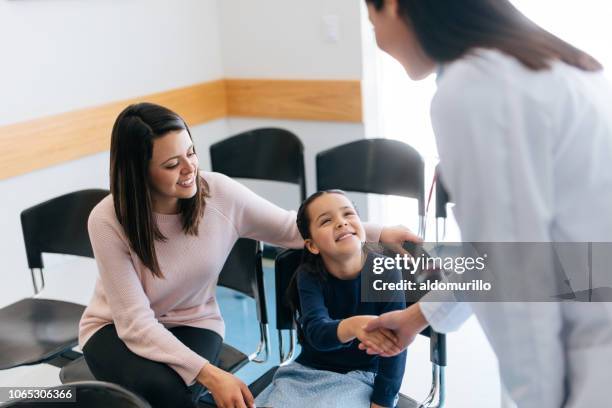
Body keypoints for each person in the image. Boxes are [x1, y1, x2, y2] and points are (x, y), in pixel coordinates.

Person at [78, 102, 418, 408]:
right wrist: (211, 375)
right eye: (171, 164)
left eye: (191, 153)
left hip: (192, 320)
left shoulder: (218, 194)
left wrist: (379, 232)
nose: (190, 169)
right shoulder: (107, 220)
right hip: (116, 328)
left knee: (176, 394)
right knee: (160, 389)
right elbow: (135, 324)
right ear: (139, 172)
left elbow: (291, 227)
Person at [360, 1, 612, 407]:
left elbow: (515, 273)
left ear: (393, 5)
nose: (379, 41)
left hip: (588, 362)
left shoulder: (476, 88)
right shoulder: (552, 62)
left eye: (372, 23)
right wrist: (416, 318)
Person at [255, 190, 406, 408]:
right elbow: (317, 333)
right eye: (326, 220)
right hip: (306, 373)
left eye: (348, 214)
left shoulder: (385, 272)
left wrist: (383, 401)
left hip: (362, 377)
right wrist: (352, 326)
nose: (342, 223)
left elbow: (396, 346)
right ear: (312, 245)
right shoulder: (308, 275)